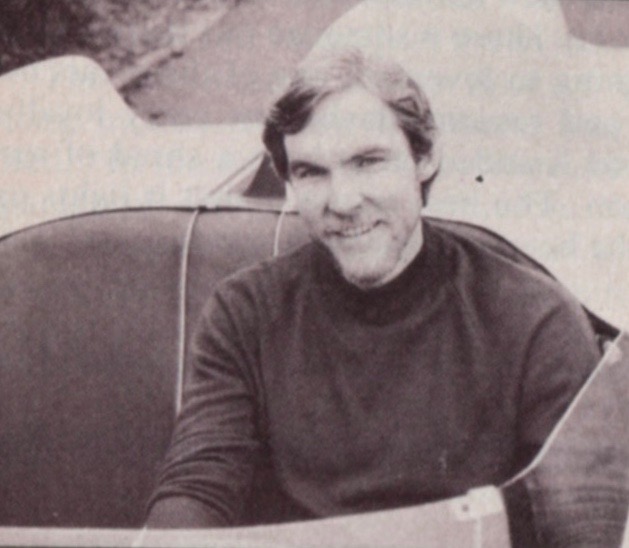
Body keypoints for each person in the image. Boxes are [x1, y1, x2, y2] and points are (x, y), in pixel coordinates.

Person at [145, 48, 600, 528]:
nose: (342, 201)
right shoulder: (246, 313)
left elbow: (582, 523)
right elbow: (198, 485)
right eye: (311, 172)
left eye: (367, 162)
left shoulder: (535, 320)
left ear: (425, 157)